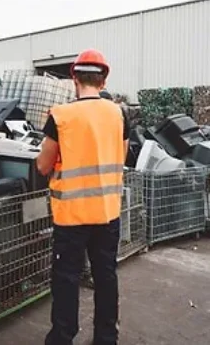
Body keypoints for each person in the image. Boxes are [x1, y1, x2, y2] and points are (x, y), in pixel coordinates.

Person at [36, 49, 129, 345]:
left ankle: (62, 338)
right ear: (103, 80)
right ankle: (106, 338)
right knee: (106, 277)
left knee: (66, 279)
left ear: (74, 78)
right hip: (106, 213)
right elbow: (121, 156)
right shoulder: (119, 114)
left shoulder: (60, 116)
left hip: (71, 215)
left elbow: (43, 165)